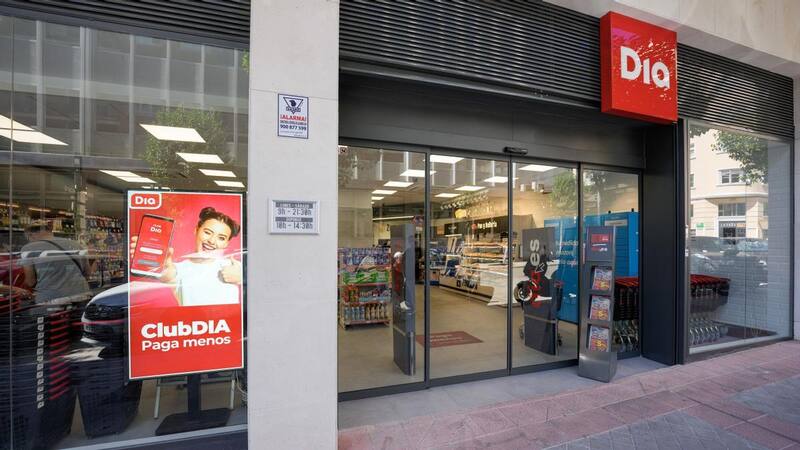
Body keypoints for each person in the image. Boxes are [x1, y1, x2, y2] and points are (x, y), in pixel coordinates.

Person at [130, 207, 242, 306]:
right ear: (196, 230)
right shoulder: (180, 269)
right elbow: (168, 274)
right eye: (207, 232)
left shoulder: (234, 266)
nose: (212, 241)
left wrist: (243, 277)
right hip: (195, 322)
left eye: (221, 238)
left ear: (226, 243)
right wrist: (154, 261)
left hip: (228, 322)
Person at [21, 221, 94, 304]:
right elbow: (87, 273)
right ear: (50, 231)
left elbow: (31, 282)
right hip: (81, 294)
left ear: (30, 235)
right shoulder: (75, 244)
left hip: (51, 298)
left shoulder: (28, 248)